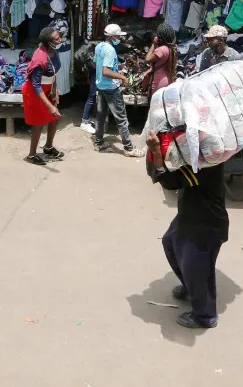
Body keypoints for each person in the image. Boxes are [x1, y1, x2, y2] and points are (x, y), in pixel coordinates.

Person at [148, 135, 228, 329]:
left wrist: (157, 153)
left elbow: (170, 182)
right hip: (191, 214)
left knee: (198, 266)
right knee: (170, 242)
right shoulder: (202, 156)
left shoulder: (206, 164)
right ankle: (191, 286)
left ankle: (205, 315)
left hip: (205, 222)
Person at [93, 23, 139, 157]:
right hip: (111, 88)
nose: (120, 37)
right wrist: (122, 77)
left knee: (101, 115)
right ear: (112, 36)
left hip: (100, 85)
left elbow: (97, 64)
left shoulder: (99, 46)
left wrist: (116, 68)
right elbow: (105, 71)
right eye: (118, 35)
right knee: (121, 119)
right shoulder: (110, 50)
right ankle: (129, 148)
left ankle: (99, 142)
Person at [22, 27, 65, 165]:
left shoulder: (54, 51)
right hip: (36, 92)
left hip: (48, 89)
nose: (60, 39)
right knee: (38, 123)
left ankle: (48, 147)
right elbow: (35, 85)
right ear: (48, 42)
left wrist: (55, 89)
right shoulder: (40, 58)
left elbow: (54, 72)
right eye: (56, 38)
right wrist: (49, 105)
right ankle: (31, 155)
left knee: (54, 118)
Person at [143, 22, 179, 94]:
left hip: (158, 82)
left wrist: (154, 44)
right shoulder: (174, 48)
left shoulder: (161, 50)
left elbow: (147, 59)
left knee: (154, 103)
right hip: (168, 79)